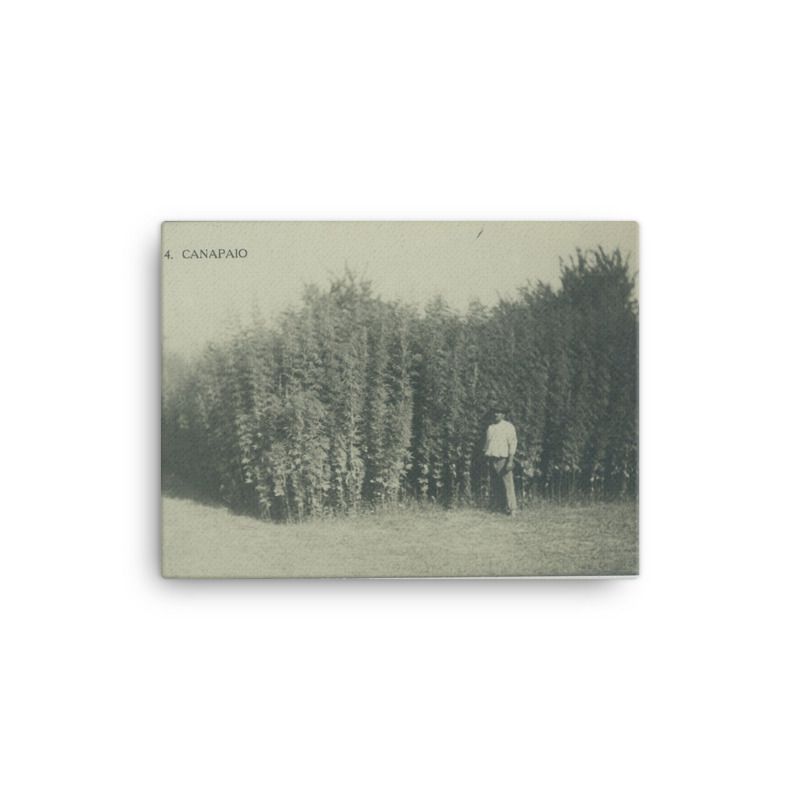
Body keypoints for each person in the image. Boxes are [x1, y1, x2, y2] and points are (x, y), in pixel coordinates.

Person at [483, 406, 518, 516]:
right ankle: (499, 507)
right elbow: (487, 444)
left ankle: (512, 509)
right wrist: (486, 456)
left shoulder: (508, 427)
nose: (496, 414)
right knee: (495, 485)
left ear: (503, 415)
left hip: (503, 459)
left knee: (508, 484)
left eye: (499, 412)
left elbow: (512, 444)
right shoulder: (491, 428)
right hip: (492, 459)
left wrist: (510, 461)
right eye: (495, 412)